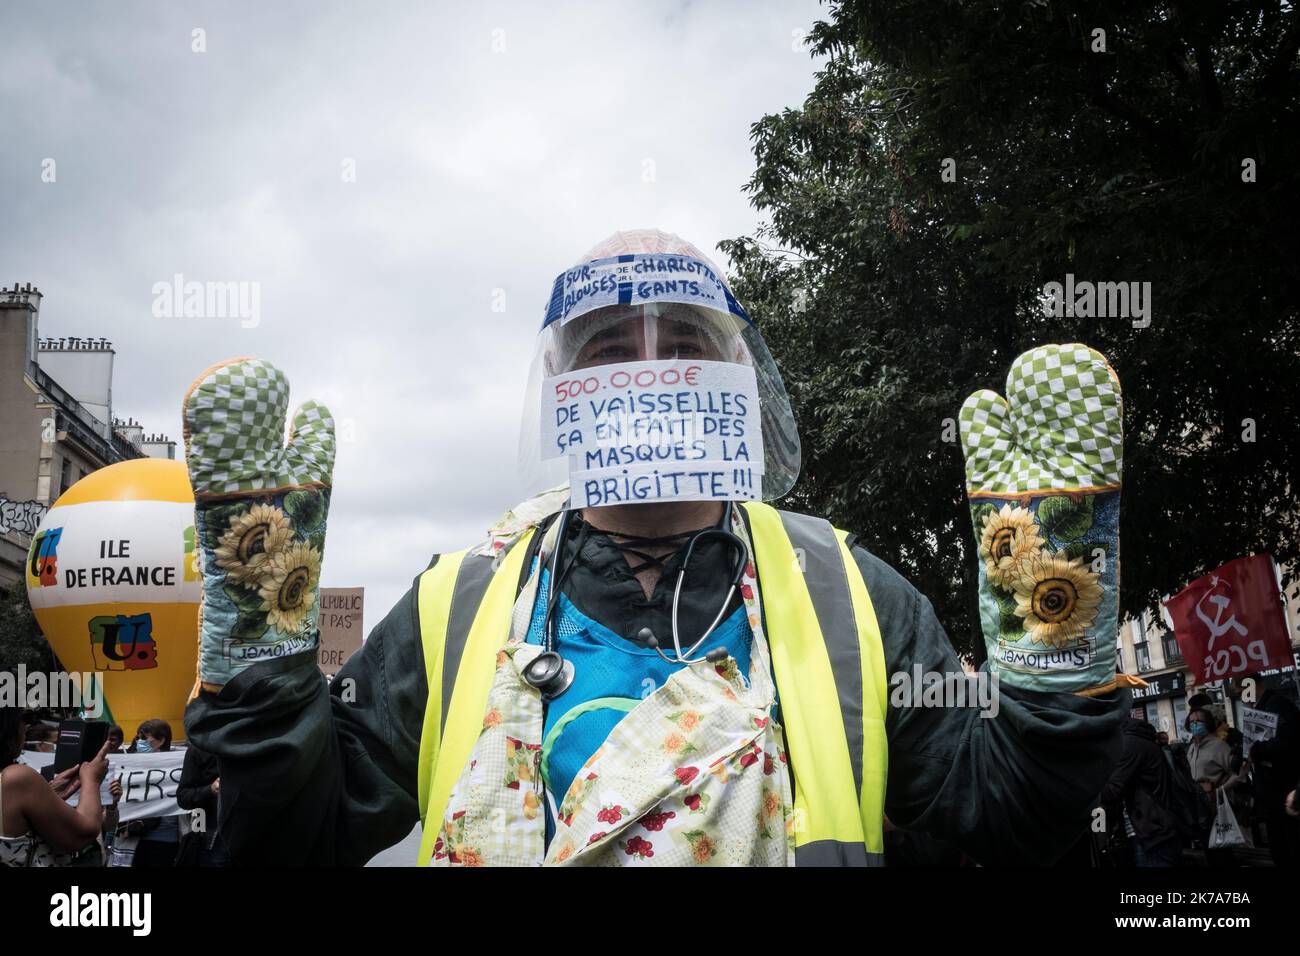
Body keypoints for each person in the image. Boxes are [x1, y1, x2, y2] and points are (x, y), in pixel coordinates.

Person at [184, 229, 1132, 867]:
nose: (649, 368)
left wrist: (1055, 651)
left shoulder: (850, 589)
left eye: (683, 338)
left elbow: (1010, 824)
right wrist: (262, 657)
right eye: (607, 349)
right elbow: (294, 840)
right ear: (560, 390)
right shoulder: (460, 600)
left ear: (737, 377)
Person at [0, 705, 110, 867]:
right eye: (24, 719)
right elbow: (82, 835)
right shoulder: (17, 777)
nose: (27, 726)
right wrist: (92, 780)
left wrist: (47, 796)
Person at [1100, 718, 1183, 866]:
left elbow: (1111, 790)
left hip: (1152, 833)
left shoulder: (1130, 743)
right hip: (1151, 829)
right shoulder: (1136, 739)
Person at [1187, 707, 1245, 864]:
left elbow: (1238, 773)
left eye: (1199, 721)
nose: (1194, 724)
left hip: (1216, 805)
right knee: (1207, 848)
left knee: (1220, 849)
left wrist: (1220, 790)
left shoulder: (1219, 746)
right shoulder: (1191, 747)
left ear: (1208, 723)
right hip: (1198, 805)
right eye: (1192, 721)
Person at [1249, 690, 1300, 866]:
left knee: (1288, 846)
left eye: (1240, 687)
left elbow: (1287, 744)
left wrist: (1256, 749)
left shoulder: (1276, 705)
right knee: (1279, 846)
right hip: (1271, 793)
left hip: (1284, 789)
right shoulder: (1260, 707)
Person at [122, 719, 180, 867]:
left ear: (161, 740)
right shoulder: (133, 764)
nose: (140, 742)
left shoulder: (175, 765)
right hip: (135, 836)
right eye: (138, 738)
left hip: (163, 837)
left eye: (144, 738)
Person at [175, 741, 230, 866]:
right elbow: (183, 797)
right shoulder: (198, 750)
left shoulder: (257, 746)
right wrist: (210, 789)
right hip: (211, 839)